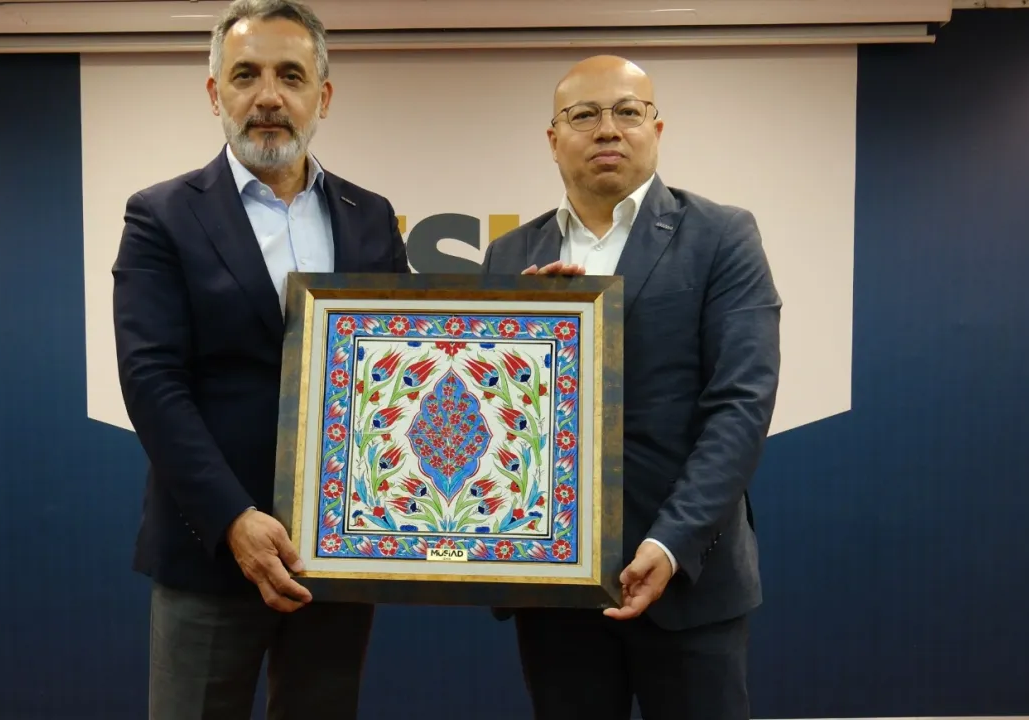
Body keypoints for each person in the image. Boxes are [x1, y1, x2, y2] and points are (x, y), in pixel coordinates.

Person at [111, 1, 409, 718]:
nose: (268, 96)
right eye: (246, 75)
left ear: (322, 97)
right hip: (212, 550)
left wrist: (539, 311)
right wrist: (234, 518)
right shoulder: (162, 215)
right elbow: (152, 383)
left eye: (290, 76)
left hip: (338, 554)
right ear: (215, 91)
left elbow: (406, 365)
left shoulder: (370, 215)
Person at [481, 55, 782, 720]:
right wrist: (512, 343)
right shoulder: (509, 256)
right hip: (555, 588)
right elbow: (493, 419)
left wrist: (671, 543)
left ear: (657, 128)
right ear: (553, 138)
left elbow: (740, 405)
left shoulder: (722, 236)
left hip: (686, 577)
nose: (607, 129)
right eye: (584, 115)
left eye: (627, 112)